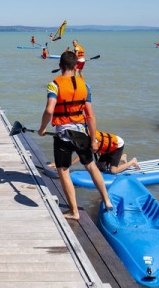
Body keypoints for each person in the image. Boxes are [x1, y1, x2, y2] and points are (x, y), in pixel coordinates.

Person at [38, 50, 112, 221]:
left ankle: (74, 211)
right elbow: (90, 116)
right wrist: (93, 140)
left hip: (63, 135)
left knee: (64, 171)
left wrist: (42, 128)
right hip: (81, 133)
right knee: (91, 166)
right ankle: (107, 200)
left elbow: (49, 110)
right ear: (76, 66)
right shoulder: (85, 86)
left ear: (60, 66)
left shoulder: (54, 85)